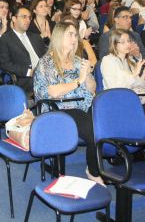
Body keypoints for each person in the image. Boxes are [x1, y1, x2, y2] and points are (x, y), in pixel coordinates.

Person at [33, 21, 101, 184]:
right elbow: (52, 92)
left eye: (76, 35)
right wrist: (78, 81)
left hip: (83, 105)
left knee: (105, 119)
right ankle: (94, 171)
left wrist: (87, 75)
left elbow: (92, 88)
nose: (74, 38)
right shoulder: (46, 62)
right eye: (70, 34)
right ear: (58, 37)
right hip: (58, 108)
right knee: (95, 130)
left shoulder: (77, 60)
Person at [0, 6, 46, 95]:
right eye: (24, 17)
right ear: (14, 19)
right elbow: (5, 64)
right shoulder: (5, 40)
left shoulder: (36, 37)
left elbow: (45, 56)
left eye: (29, 18)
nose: (28, 20)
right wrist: (29, 72)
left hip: (44, 73)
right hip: (25, 78)